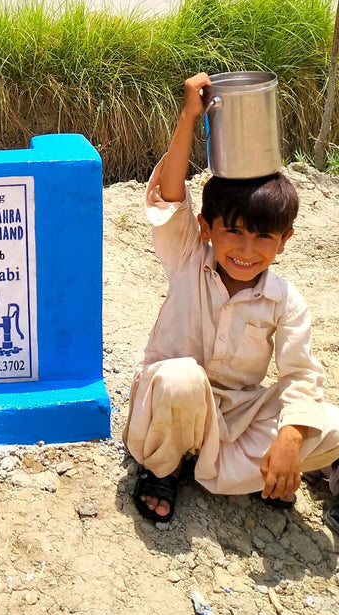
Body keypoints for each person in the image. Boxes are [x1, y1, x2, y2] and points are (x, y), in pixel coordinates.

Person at [124, 72, 339, 523]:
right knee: (181, 378)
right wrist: (189, 116)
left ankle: (284, 468)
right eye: (233, 232)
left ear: (284, 241)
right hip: (170, 406)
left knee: (322, 420)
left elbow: (301, 375)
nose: (246, 250)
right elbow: (169, 197)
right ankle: (162, 469)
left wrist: (291, 440)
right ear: (206, 229)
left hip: (237, 419)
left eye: (263, 237)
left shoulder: (285, 299)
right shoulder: (187, 257)